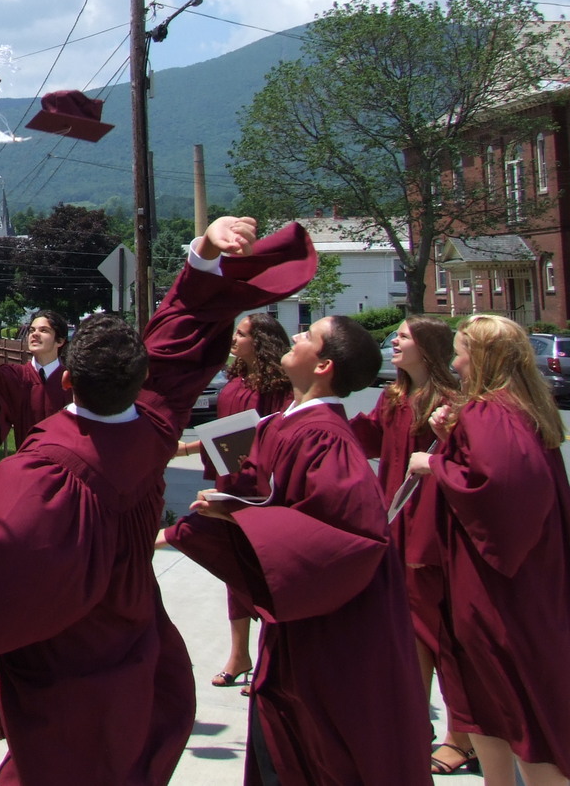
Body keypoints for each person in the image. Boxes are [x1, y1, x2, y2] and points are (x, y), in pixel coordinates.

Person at [0, 217, 318, 786]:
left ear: (69, 381)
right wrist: (200, 257)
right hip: (134, 629)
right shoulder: (155, 426)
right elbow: (182, 335)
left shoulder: (45, 467)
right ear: (141, 375)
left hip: (69, 647)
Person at [164, 315, 433, 786]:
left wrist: (245, 516)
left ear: (324, 365)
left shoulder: (326, 438)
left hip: (324, 628)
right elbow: (258, 485)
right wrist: (228, 506)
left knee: (309, 749)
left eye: (310, 335)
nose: (298, 335)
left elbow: (352, 535)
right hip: (293, 622)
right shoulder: (286, 422)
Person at [409, 314, 570, 786]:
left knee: (514, 695)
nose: (454, 362)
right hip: (520, 577)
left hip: (496, 584)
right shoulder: (523, 407)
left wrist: (435, 464)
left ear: (479, 357)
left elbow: (503, 485)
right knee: (486, 696)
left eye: (460, 351)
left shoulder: (489, 412)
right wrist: (449, 443)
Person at [349, 317, 475, 776]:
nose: (394, 342)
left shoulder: (452, 404)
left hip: (434, 529)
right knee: (408, 630)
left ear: (429, 347)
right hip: (396, 524)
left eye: (402, 336)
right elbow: (362, 435)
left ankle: (461, 736)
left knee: (440, 633)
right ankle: (413, 723)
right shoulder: (395, 397)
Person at [174, 311, 291, 692]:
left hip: (259, 489)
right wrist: (189, 450)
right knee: (234, 570)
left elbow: (264, 434)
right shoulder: (236, 379)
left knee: (262, 572)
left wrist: (188, 448)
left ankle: (274, 658)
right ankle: (240, 655)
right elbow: (228, 431)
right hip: (229, 480)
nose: (236, 340)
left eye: (241, 334)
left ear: (262, 343)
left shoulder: (281, 388)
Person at [0, 308, 70, 450]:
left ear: (60, 341)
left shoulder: (72, 381)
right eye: (31, 330)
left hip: (64, 463)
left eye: (43, 330)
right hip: (27, 460)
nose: (35, 334)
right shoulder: (17, 375)